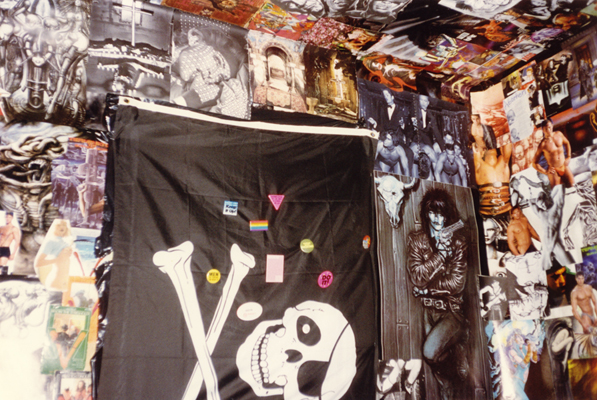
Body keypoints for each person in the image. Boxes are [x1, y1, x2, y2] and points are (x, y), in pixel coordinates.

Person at [407, 188, 468, 400]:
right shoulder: (417, 240)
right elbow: (417, 276)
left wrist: (427, 290)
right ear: (426, 214)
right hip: (427, 310)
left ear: (447, 215)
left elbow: (456, 284)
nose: (437, 219)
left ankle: (451, 372)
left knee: (430, 352)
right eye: (432, 213)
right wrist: (440, 256)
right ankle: (447, 378)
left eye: (441, 214)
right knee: (432, 357)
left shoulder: (458, 243)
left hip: (452, 309)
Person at [532, 118, 574, 188]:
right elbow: (534, 163)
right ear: (543, 130)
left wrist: (569, 156)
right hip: (553, 170)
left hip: (563, 165)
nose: (548, 130)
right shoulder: (543, 144)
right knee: (557, 191)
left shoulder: (559, 134)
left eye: (549, 127)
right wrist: (545, 172)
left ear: (552, 125)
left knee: (573, 186)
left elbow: (567, 143)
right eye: (546, 129)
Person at [34, 220, 74, 291]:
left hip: (65, 283)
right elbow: (38, 262)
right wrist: (57, 260)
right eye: (59, 225)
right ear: (54, 227)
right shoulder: (51, 242)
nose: (62, 227)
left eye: (64, 225)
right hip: (55, 282)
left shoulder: (65, 243)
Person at [473, 143, 512, 216]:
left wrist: (498, 138)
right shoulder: (479, 165)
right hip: (487, 215)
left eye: (493, 148)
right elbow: (476, 145)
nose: (490, 148)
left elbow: (507, 142)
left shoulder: (504, 163)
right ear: (482, 152)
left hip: (506, 212)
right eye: (487, 149)